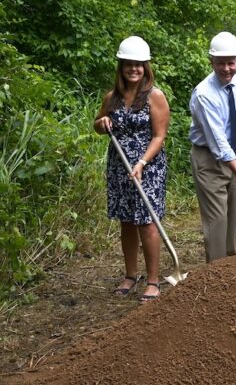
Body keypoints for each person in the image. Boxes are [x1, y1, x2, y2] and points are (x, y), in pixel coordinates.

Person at [94, 36, 170, 303]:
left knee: (146, 222)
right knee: (126, 221)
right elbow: (98, 124)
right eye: (128, 64)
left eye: (139, 65)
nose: (133, 69)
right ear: (121, 66)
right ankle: (130, 274)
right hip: (119, 167)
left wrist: (142, 163)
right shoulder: (111, 97)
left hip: (148, 166)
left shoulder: (154, 96)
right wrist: (102, 122)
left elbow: (159, 136)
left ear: (146, 67)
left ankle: (153, 280)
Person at [189, 31, 236, 263]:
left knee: (232, 216)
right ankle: (217, 273)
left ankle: (231, 265)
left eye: (231, 63)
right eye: (221, 63)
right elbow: (218, 141)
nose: (227, 69)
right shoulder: (204, 95)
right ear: (212, 62)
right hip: (209, 160)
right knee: (217, 220)